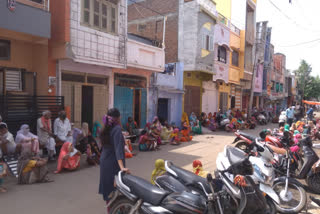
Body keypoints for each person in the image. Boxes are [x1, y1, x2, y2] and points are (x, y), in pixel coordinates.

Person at [99, 108, 130, 204]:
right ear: (118, 118)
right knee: (115, 189)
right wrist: (122, 167)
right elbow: (118, 150)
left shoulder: (104, 128)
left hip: (104, 160)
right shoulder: (116, 129)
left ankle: (110, 210)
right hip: (113, 162)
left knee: (108, 190)